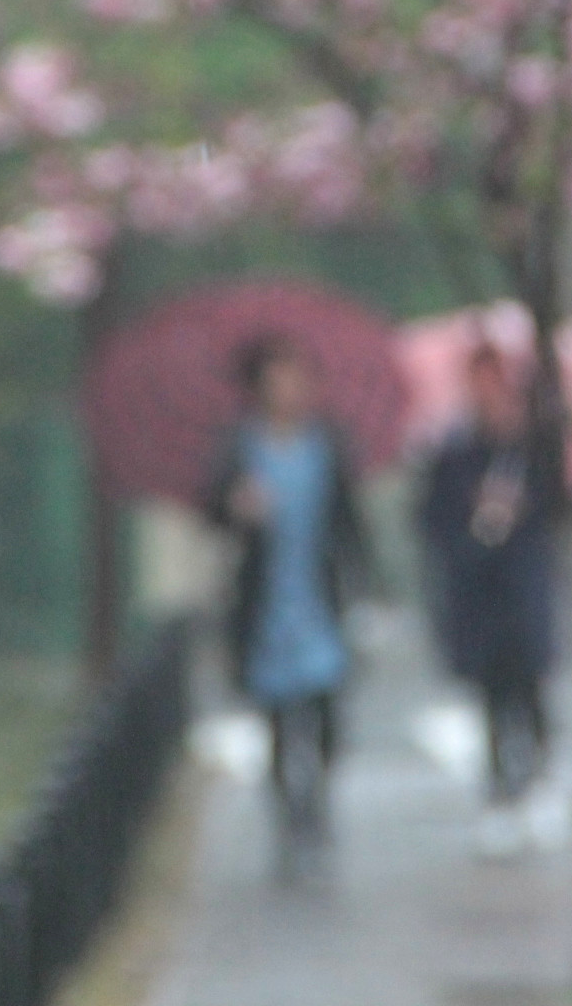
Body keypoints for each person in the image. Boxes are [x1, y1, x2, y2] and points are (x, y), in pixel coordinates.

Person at [203, 336, 370, 878]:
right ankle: (288, 820)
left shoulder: (327, 445)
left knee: (323, 713)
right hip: (265, 601)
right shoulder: (240, 450)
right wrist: (238, 507)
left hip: (317, 598)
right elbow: (210, 509)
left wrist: (362, 586)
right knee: (277, 718)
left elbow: (349, 523)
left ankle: (316, 805)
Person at [418, 343, 564, 848]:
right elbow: (432, 522)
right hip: (478, 597)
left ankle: (540, 781)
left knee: (532, 691)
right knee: (492, 700)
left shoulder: (535, 451)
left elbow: (562, 512)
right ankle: (500, 791)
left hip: (525, 593)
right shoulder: (455, 454)